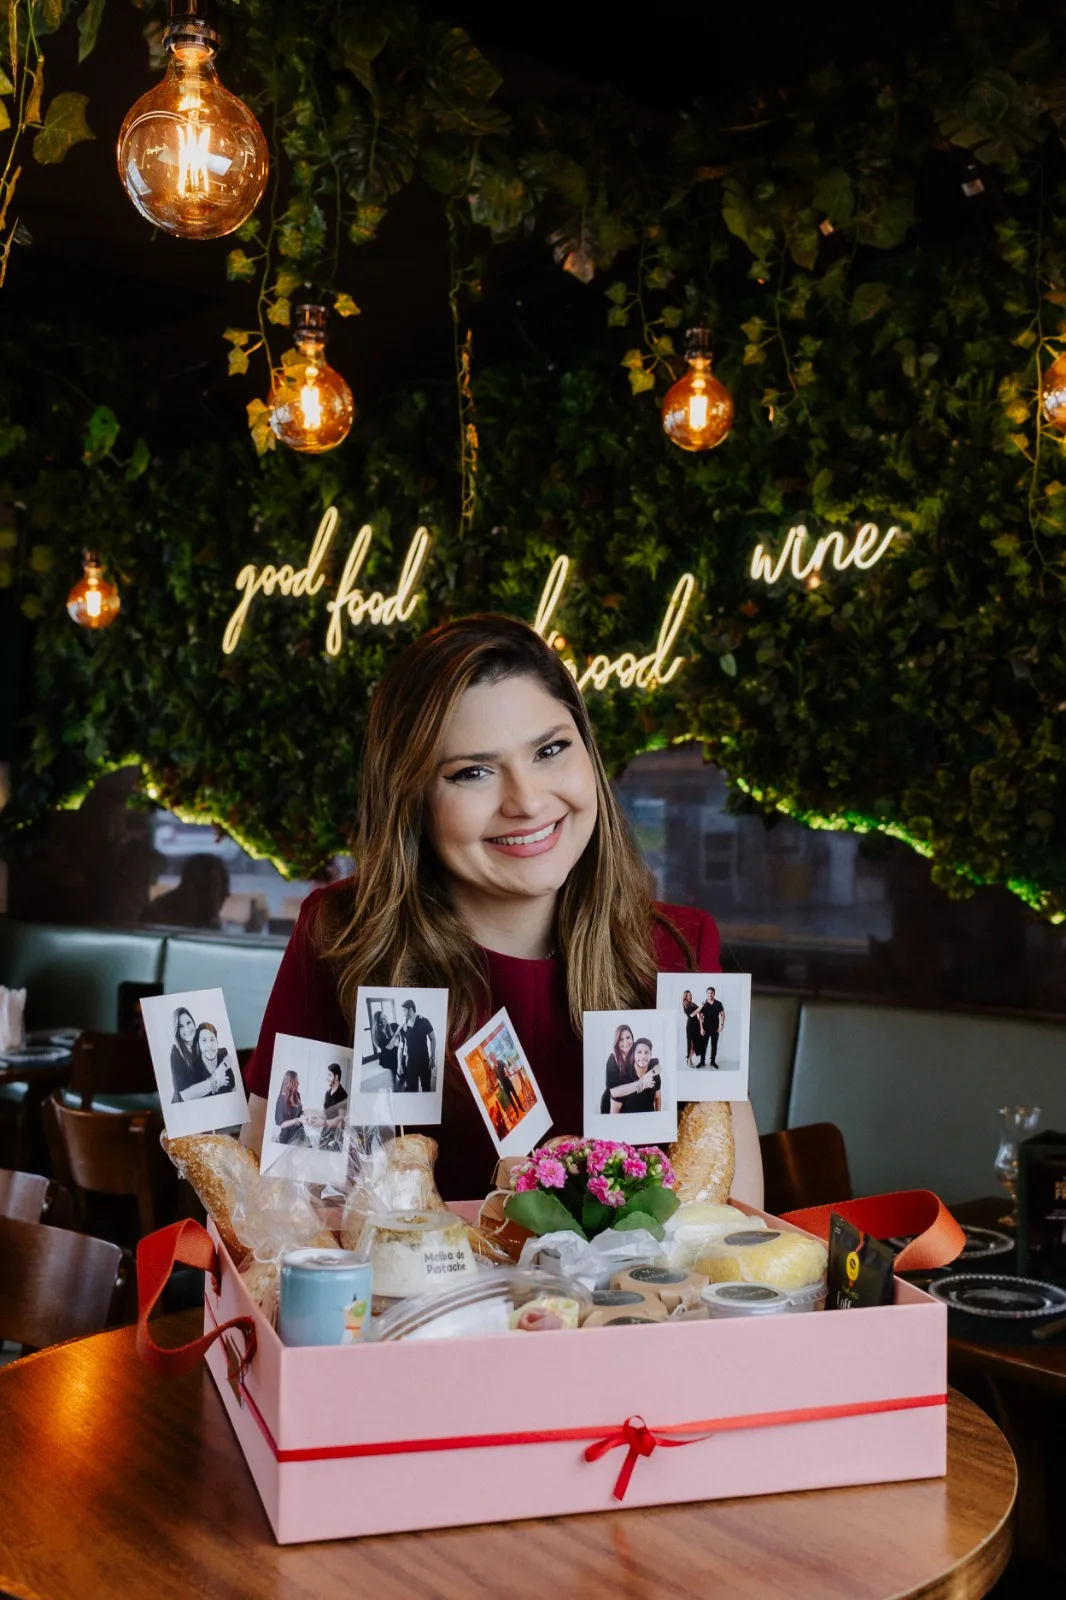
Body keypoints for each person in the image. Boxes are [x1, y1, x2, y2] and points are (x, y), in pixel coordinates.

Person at [240, 614, 764, 1205]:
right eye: (474, 772)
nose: (528, 800)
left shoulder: (680, 950)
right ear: (412, 799)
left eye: (550, 750)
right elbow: (274, 1226)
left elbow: (736, 1229)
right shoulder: (342, 938)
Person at [170, 1010, 231, 1104]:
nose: (187, 1029)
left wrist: (221, 1069)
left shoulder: (198, 1034)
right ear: (176, 1031)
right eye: (180, 1026)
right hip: (182, 1104)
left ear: (194, 1023)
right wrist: (216, 1080)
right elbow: (185, 1095)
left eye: (188, 1023)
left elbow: (224, 1053)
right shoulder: (176, 1054)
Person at [399, 998, 436, 1092]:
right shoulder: (403, 1026)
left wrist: (432, 1057)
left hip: (424, 1061)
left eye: (404, 1010)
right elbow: (401, 1046)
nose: (403, 1012)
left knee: (426, 1088)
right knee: (412, 1090)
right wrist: (399, 1064)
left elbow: (433, 1039)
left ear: (410, 1009)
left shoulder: (424, 1021)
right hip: (410, 1063)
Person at [623, 1038, 661, 1114]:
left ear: (651, 1055)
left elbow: (657, 1097)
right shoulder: (625, 1073)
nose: (643, 1056)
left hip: (650, 1119)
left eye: (646, 1052)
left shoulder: (654, 1072)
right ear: (633, 1054)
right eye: (639, 1052)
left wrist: (658, 1116)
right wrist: (642, 1083)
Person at [274, 1069, 308, 1144]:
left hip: (299, 1135)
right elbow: (281, 1124)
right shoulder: (282, 1099)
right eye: (296, 1081)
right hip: (288, 1138)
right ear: (290, 1083)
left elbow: (299, 1113)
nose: (298, 1083)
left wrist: (306, 1112)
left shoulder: (297, 1095)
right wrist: (297, 1120)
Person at [319, 1063, 348, 1152]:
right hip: (324, 1132)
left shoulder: (343, 1095)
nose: (327, 1078)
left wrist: (336, 1140)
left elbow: (341, 1119)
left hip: (335, 1137)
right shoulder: (327, 1093)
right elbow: (325, 1112)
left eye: (329, 1075)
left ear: (336, 1077)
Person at [371, 1007, 401, 1089]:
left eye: (385, 1016)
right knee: (395, 1061)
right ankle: (395, 1083)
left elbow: (401, 1026)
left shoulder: (390, 1026)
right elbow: (389, 1047)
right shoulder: (378, 1034)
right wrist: (395, 1035)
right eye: (382, 1018)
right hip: (386, 1055)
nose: (385, 1018)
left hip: (394, 1051)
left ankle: (402, 1076)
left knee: (402, 1055)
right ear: (379, 1022)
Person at [697, 986, 725, 1068]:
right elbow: (700, 1017)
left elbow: (723, 1014)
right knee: (703, 1046)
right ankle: (702, 1062)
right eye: (708, 993)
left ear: (714, 994)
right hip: (705, 1028)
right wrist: (701, 1028)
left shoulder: (718, 1003)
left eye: (712, 993)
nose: (710, 995)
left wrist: (721, 1025)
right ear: (707, 994)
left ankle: (712, 1062)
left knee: (714, 1046)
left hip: (715, 1028)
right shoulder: (704, 1004)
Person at [681, 989, 701, 1066]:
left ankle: (688, 1059)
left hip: (696, 1025)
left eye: (691, 995)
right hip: (691, 1026)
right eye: (688, 995)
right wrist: (700, 1008)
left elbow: (700, 1009)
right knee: (692, 1045)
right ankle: (689, 1060)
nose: (690, 996)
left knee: (696, 1044)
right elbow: (692, 1015)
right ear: (685, 997)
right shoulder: (685, 1004)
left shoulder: (692, 1004)